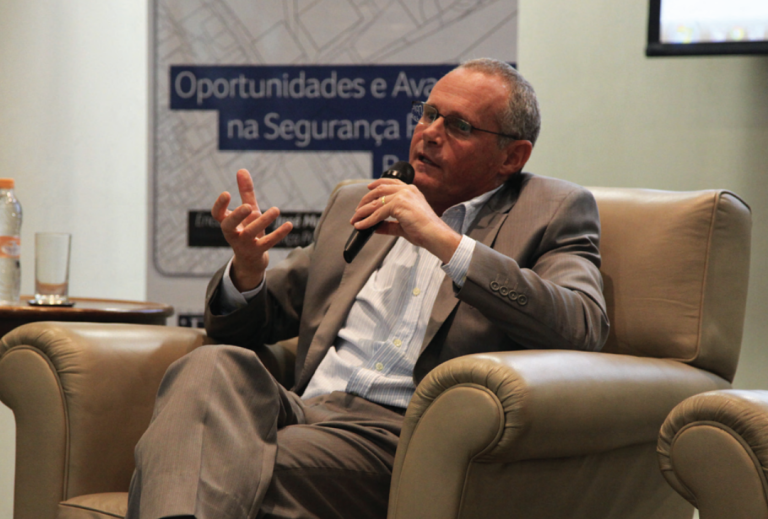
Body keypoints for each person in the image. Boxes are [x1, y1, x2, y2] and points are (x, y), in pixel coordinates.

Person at [126, 58, 609, 519]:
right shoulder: (360, 201)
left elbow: (581, 327)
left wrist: (443, 240)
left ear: (511, 157)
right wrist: (247, 272)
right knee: (211, 364)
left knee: (207, 458)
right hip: (303, 407)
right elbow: (250, 323)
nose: (430, 133)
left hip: (402, 434)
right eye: (429, 114)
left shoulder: (553, 210)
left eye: (459, 126)